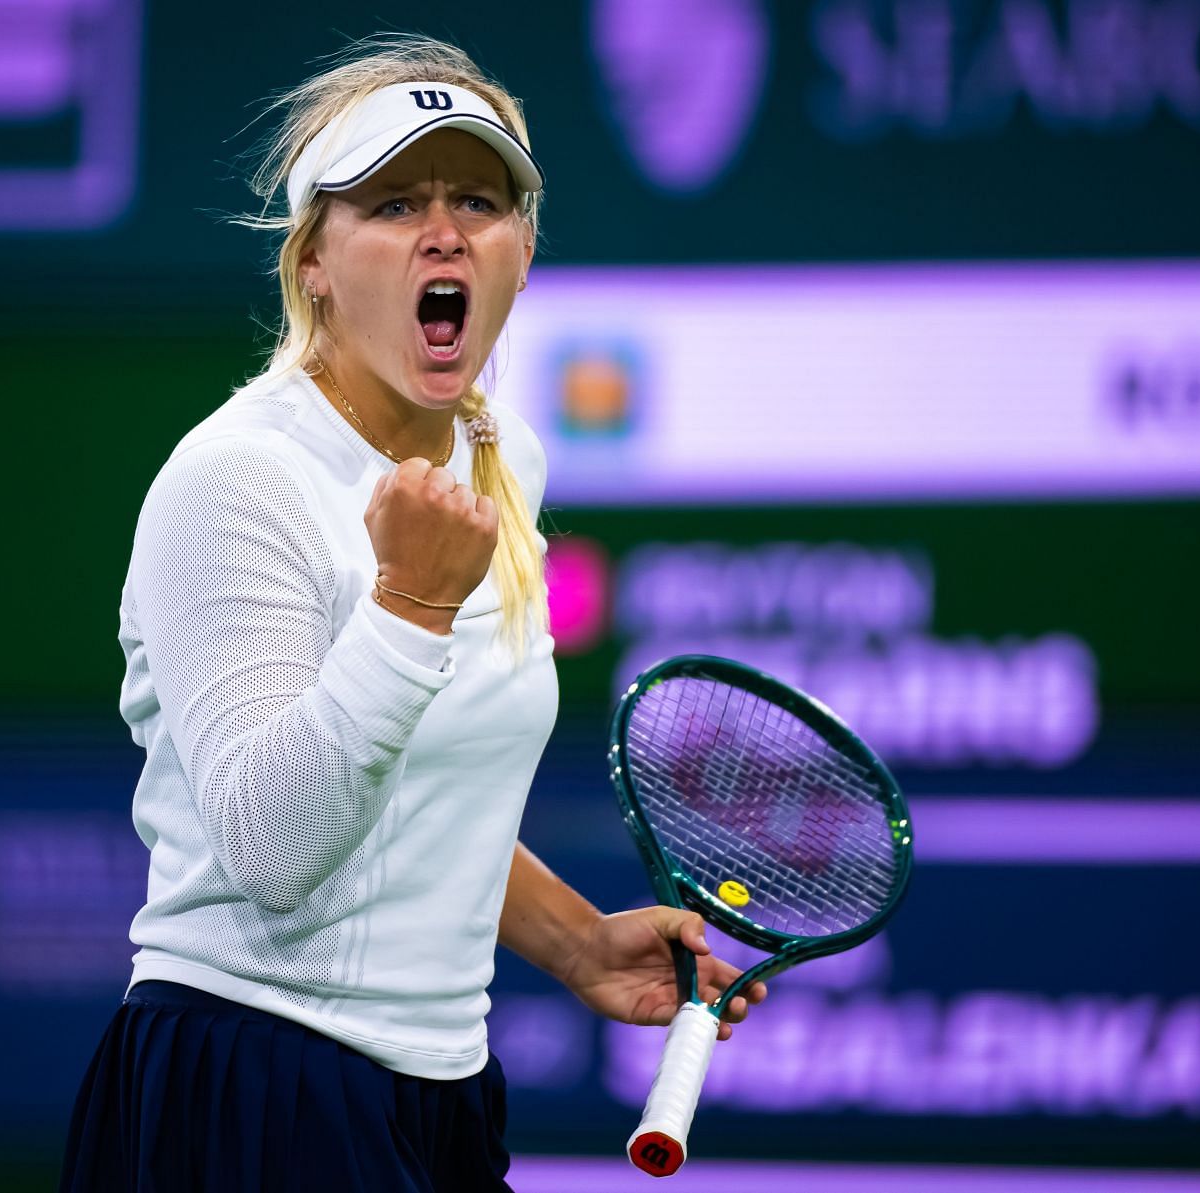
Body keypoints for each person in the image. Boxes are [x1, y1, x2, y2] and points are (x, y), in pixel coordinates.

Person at [60, 35, 763, 1192]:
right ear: (315, 263)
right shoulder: (236, 480)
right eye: (393, 203)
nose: (444, 231)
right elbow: (276, 847)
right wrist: (410, 603)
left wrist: (577, 942)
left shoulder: (506, 459)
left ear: (523, 252)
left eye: (479, 201)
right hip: (249, 1076)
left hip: (443, 1088)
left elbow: (411, 801)